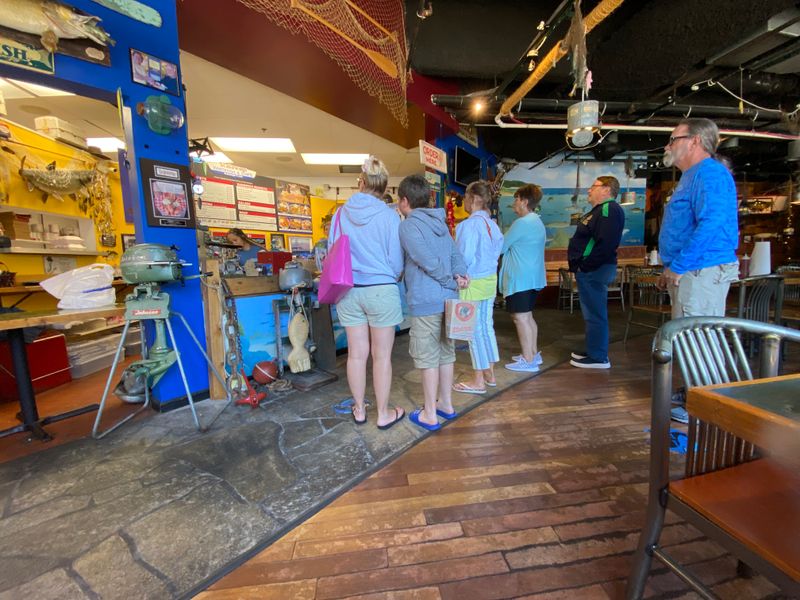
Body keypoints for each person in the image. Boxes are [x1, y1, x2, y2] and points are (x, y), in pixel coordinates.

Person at [657, 118, 739, 422]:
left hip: (701, 270)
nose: (668, 146)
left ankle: (706, 408)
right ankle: (697, 393)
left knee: (699, 338)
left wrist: (679, 265)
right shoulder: (692, 176)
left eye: (673, 139)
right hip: (691, 271)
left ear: (694, 140)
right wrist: (672, 267)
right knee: (688, 337)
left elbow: (712, 224)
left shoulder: (709, 173)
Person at [329, 156, 405, 429]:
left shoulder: (340, 214)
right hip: (381, 290)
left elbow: (332, 251)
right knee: (381, 356)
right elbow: (396, 261)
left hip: (349, 291)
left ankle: (360, 409)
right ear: (384, 187)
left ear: (361, 182)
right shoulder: (390, 216)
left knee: (356, 354)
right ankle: (383, 414)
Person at [397, 174, 469, 431]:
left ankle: (429, 413)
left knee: (427, 357)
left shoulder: (408, 225)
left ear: (405, 201)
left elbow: (426, 260)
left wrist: (450, 280)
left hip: (426, 300)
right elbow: (456, 255)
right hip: (449, 300)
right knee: (446, 352)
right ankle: (446, 404)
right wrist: (460, 276)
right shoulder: (440, 221)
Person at [567, 176, 625, 369]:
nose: (589, 190)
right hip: (590, 270)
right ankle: (594, 350)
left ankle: (599, 357)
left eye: (593, 186)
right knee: (591, 313)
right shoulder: (600, 210)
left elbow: (606, 244)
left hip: (594, 270)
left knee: (595, 313)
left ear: (607, 189)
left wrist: (584, 265)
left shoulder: (609, 209)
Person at [453, 180, 504, 394]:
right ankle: (489, 373)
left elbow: (463, 257)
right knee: (486, 326)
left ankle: (478, 381)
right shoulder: (492, 225)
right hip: (490, 281)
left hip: (472, 282)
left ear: (474, 199)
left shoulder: (468, 225)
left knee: (472, 331)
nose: (463, 201)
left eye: (465, 197)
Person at [500, 184, 547, 373]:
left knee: (520, 318)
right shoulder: (536, 221)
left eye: (516, 199)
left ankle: (528, 360)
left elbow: (501, 246)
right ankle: (533, 354)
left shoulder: (522, 223)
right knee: (527, 316)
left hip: (520, 278)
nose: (514, 203)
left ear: (524, 201)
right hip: (532, 277)